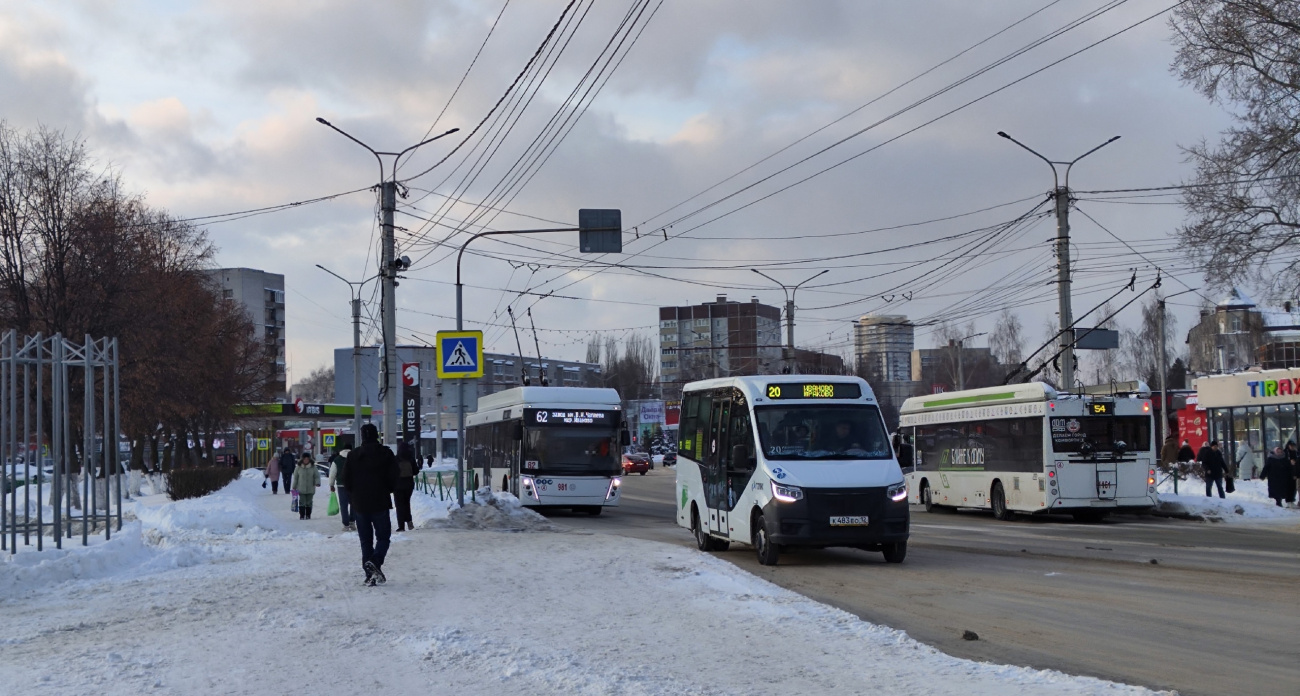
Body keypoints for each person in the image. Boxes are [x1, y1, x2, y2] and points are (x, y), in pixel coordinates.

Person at [343, 423, 398, 586]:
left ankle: (369, 574)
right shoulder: (386, 454)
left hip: (360, 504)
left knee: (365, 540)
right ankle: (375, 561)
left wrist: (353, 496)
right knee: (383, 537)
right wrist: (387, 489)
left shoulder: (353, 455)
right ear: (377, 435)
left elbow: (346, 479)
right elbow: (395, 475)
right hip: (380, 501)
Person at [328, 445, 354, 531]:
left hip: (341, 485)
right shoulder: (355, 457)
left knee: (344, 505)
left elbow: (332, 473)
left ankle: (346, 524)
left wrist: (331, 484)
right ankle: (352, 522)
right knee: (354, 504)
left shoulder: (337, 460)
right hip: (353, 485)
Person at [394, 441, 418, 532]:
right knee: (406, 503)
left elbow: (392, 472)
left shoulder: (396, 459)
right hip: (409, 484)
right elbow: (416, 471)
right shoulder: (411, 459)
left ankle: (401, 526)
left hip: (398, 485)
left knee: (399, 505)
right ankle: (409, 522)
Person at [292, 452, 319, 519]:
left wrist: (317, 482)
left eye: (307, 459)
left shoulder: (313, 467)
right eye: (305, 459)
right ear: (302, 459)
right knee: (302, 502)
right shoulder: (298, 468)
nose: (306, 460)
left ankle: (308, 514)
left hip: (310, 488)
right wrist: (294, 486)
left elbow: (317, 476)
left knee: (309, 502)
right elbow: (295, 478)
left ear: (309, 459)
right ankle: (302, 515)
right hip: (301, 488)